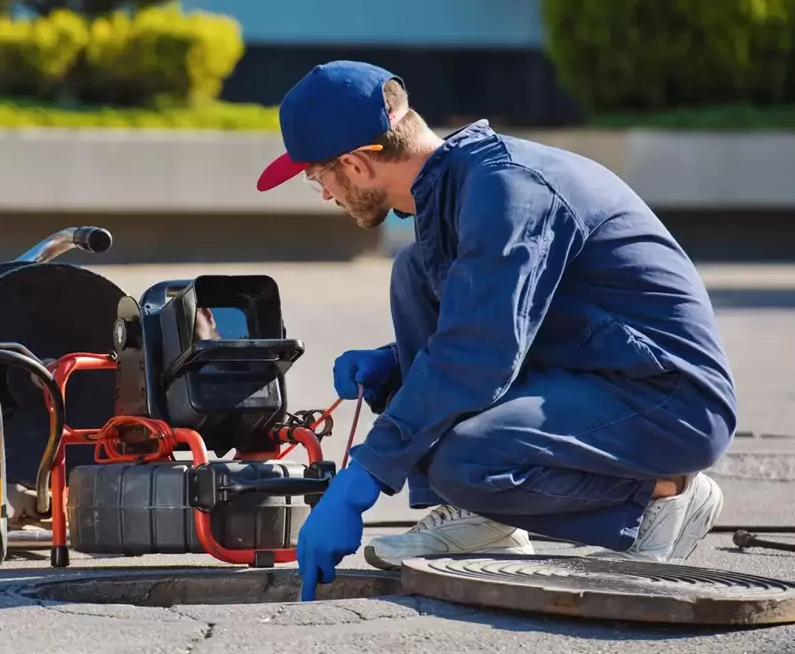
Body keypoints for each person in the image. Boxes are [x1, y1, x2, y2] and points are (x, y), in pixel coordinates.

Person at [254, 61, 738, 601]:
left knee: (464, 458)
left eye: (316, 176)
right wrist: (396, 360)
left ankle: (662, 497)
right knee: (413, 272)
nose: (323, 194)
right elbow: (496, 319)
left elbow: (475, 355)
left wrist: (360, 481)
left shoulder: (507, 190)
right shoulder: (461, 190)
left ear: (354, 163)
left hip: (667, 400)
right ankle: (485, 522)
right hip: (598, 373)